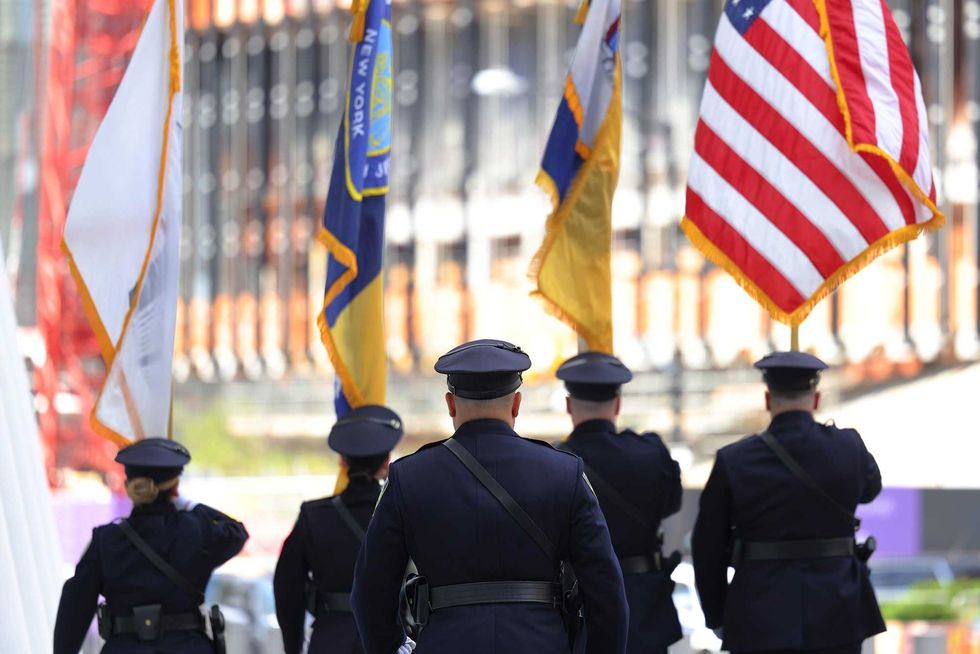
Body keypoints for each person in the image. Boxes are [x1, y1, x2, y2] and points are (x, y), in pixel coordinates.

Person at [351, 338, 629, 654]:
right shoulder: (563, 472)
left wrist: (394, 646)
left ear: (451, 404)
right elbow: (606, 593)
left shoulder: (408, 477)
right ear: (516, 404)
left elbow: (370, 592)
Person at [691, 351, 885, 654]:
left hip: (759, 615)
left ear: (768, 400)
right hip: (838, 610)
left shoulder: (735, 460)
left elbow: (708, 547)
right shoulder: (848, 447)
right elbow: (870, 491)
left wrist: (717, 615)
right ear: (816, 399)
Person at [54, 438, 249, 654]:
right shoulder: (197, 530)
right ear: (175, 487)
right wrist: (191, 504)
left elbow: (75, 606)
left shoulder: (107, 540)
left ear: (130, 487)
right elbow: (236, 532)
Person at [556, 351, 683, 654]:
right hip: (644, 606)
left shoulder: (555, 464)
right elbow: (672, 504)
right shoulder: (651, 453)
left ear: (569, 405)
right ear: (618, 403)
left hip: (582, 608)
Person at [274, 404, 404, 654]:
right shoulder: (402, 513)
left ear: (342, 461)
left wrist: (293, 647)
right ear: (387, 462)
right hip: (388, 642)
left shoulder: (314, 516)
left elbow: (287, 591)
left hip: (330, 641)